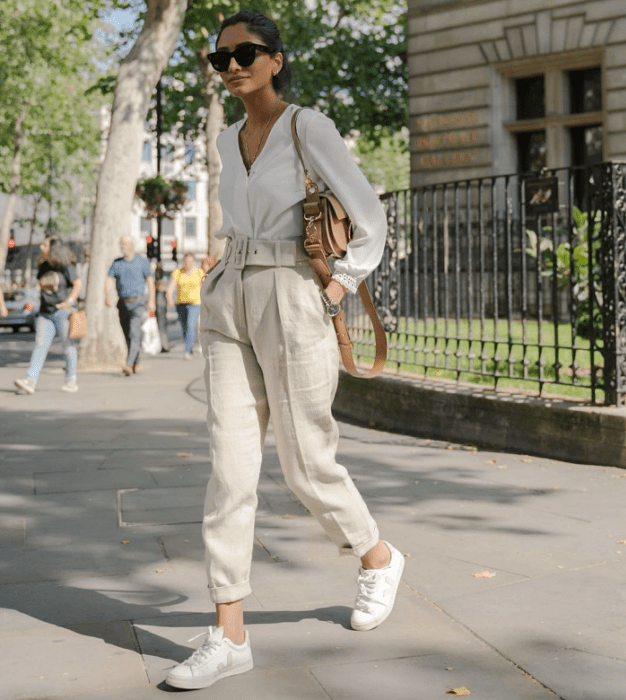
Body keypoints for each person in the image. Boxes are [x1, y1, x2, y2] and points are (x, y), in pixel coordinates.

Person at [165, 10, 404, 692]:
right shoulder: (224, 137)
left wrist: (339, 288)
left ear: (275, 59)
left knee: (306, 462)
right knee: (230, 471)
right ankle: (228, 634)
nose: (233, 64)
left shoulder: (308, 126)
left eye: (247, 53)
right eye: (222, 59)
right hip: (227, 297)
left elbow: (369, 214)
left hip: (294, 296)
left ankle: (377, 557)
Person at [14, 236, 81, 394]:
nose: (41, 247)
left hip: (63, 311)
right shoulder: (43, 266)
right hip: (46, 312)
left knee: (68, 346)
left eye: (45, 245)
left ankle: (71, 380)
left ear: (53, 248)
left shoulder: (65, 266)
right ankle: (30, 380)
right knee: (40, 345)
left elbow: (77, 283)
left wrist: (69, 301)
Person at [105, 235, 156, 375]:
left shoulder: (142, 262)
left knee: (134, 333)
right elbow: (109, 279)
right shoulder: (117, 263)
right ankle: (135, 359)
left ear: (132, 245)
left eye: (125, 243)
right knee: (127, 334)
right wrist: (107, 295)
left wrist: (151, 301)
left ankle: (128, 364)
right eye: (121, 243)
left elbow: (150, 282)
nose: (122, 246)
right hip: (122, 303)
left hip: (138, 302)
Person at [165, 253, 204, 359]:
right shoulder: (178, 272)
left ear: (194, 262)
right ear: (184, 262)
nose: (188, 264)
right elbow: (170, 287)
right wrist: (169, 297)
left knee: (191, 325)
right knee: (185, 328)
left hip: (195, 304)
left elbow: (204, 286)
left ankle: (187, 350)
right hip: (181, 303)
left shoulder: (199, 272)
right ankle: (189, 347)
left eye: (191, 262)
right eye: (186, 262)